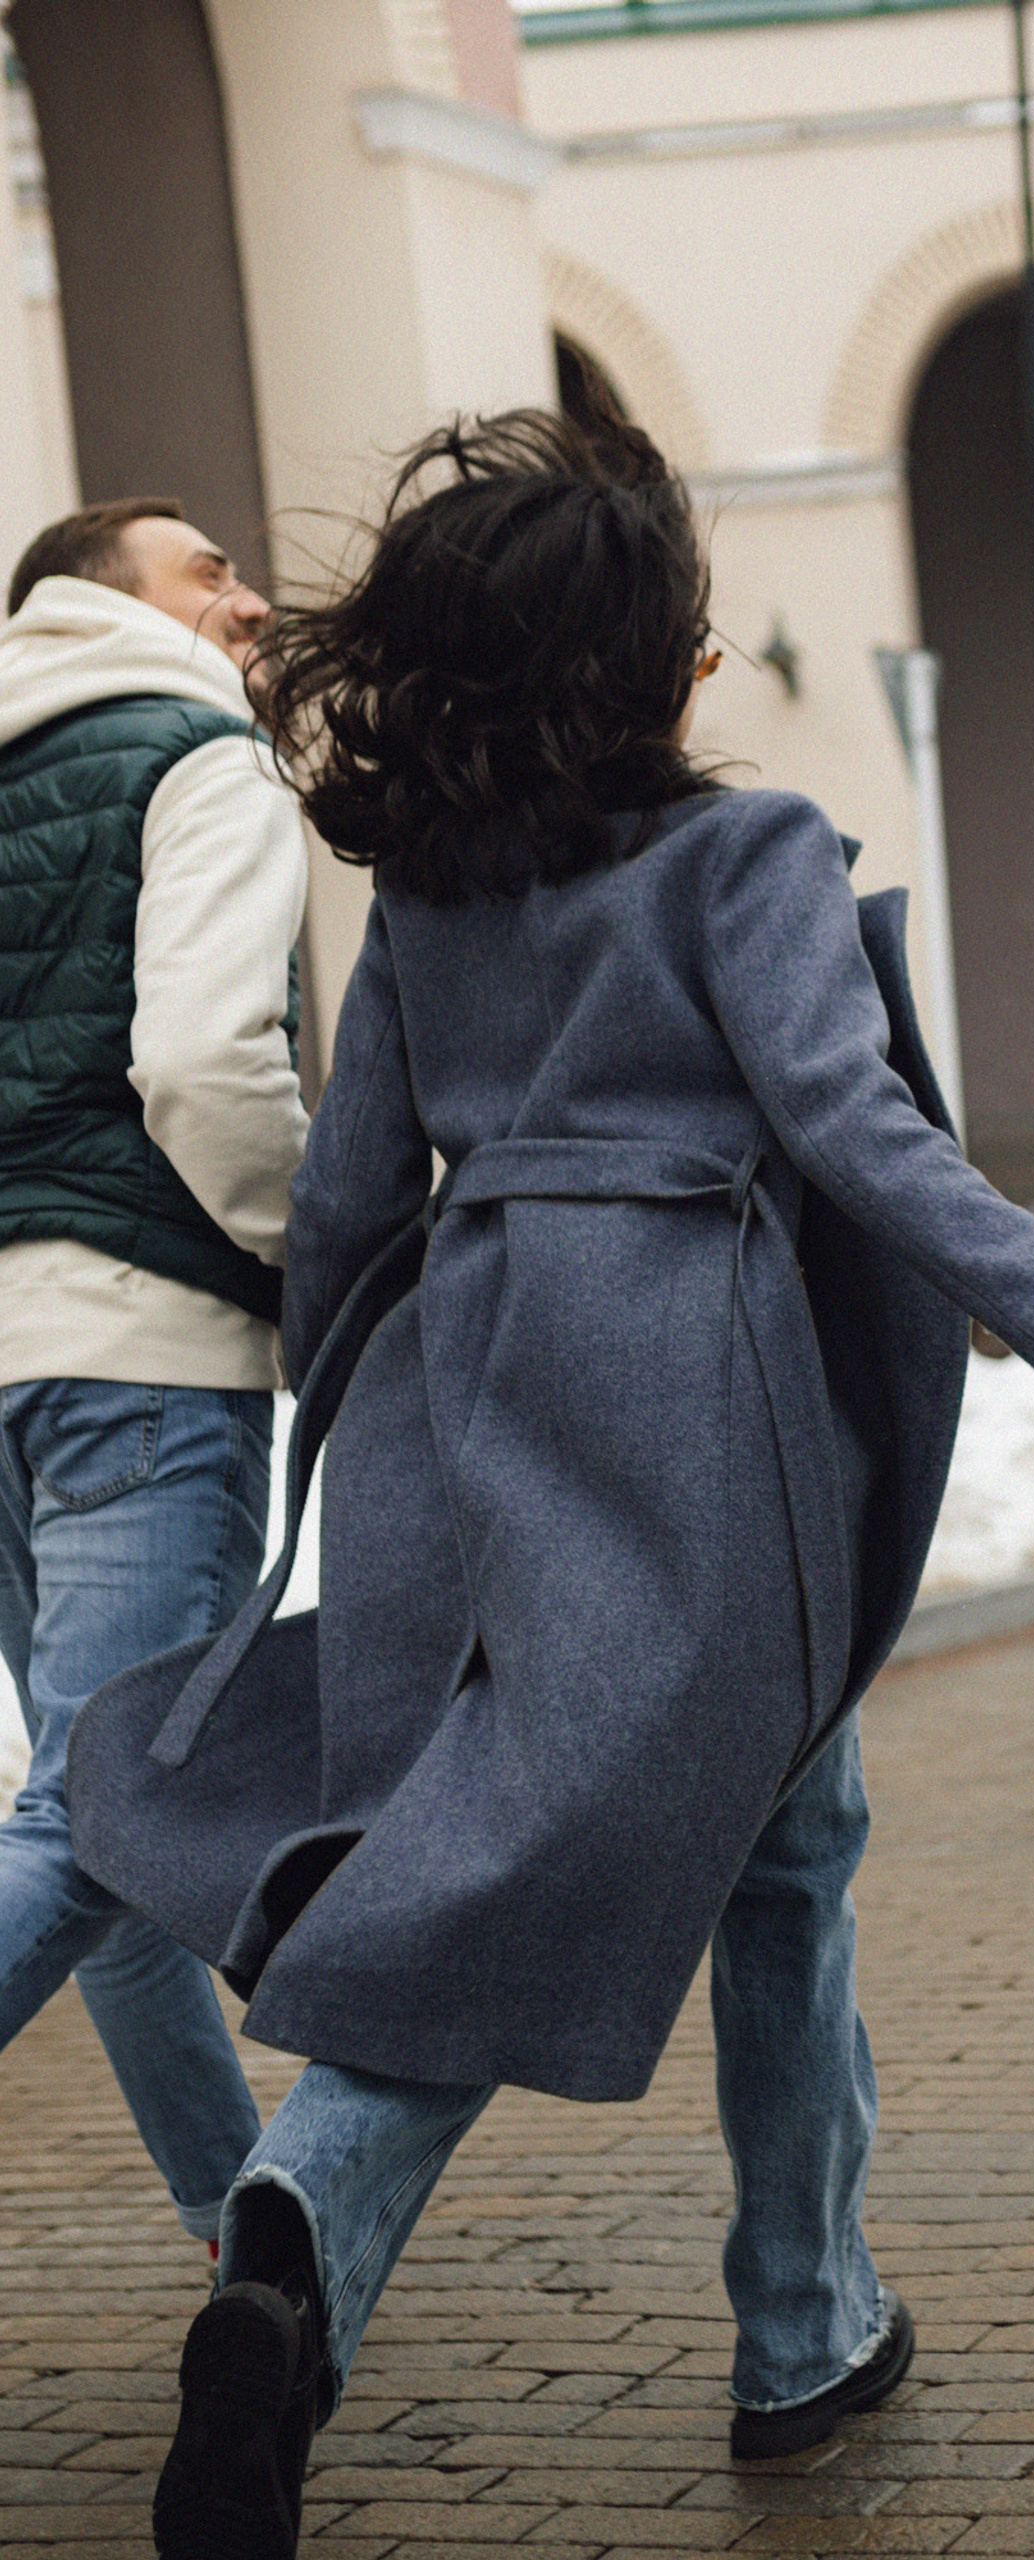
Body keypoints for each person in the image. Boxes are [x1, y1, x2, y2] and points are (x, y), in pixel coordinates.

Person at [65, 410, 1034, 2560]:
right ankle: (796, 2324)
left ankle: (289, 2240)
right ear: (640, 672)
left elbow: (346, 1204)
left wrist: (327, 1445)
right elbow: (853, 1124)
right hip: (698, 1408)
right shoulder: (752, 853)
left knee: (515, 1837)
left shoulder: (425, 896)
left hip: (464, 1390)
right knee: (781, 1853)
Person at [0, 500, 306, 2253]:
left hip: (9, 1359)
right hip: (136, 1353)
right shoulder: (196, 756)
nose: (248, 599)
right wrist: (301, 1244)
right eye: (208, 570)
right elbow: (203, 1057)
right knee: (100, 1819)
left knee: (95, 1801)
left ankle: (236, 2208)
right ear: (97, 603)